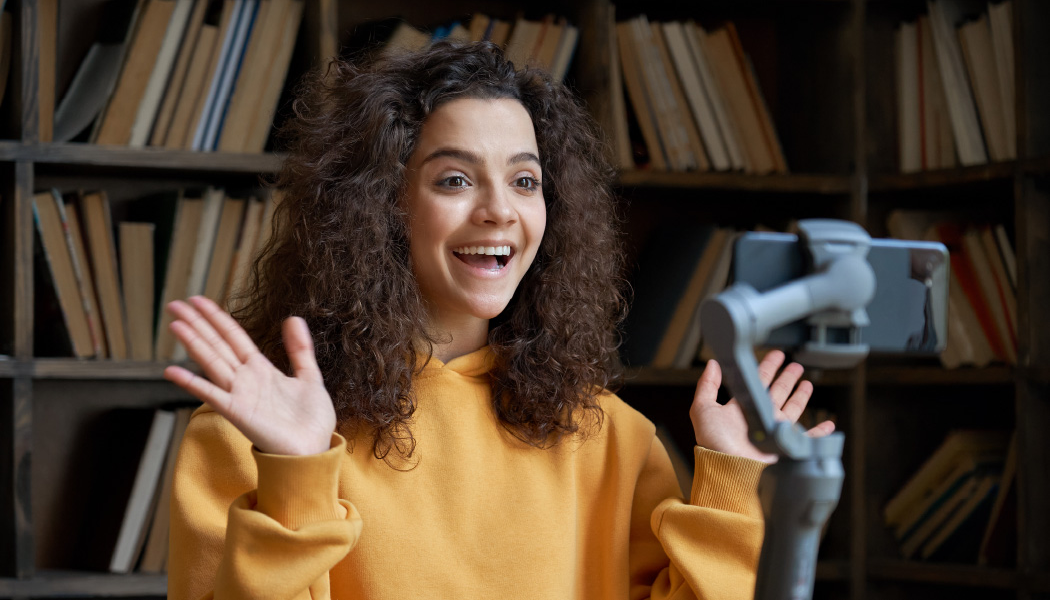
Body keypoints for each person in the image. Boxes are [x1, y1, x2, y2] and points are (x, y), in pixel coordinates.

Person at [164, 41, 833, 600]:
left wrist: (728, 488)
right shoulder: (250, 432)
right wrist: (296, 473)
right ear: (382, 204)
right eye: (455, 179)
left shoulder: (616, 440)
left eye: (524, 180)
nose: (499, 210)